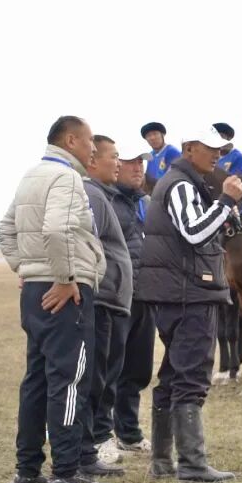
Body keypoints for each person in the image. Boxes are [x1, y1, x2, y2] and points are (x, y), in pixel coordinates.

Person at [0, 115, 111, 483]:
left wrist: (27, 269)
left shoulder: (32, 174)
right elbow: (57, 229)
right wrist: (64, 279)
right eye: (90, 139)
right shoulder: (66, 178)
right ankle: (66, 473)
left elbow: (4, 229)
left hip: (35, 290)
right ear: (71, 139)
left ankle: (27, 472)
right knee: (70, 379)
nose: (93, 147)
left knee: (37, 380)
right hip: (66, 291)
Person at [136, 125, 242, 483]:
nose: (218, 155)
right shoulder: (182, 185)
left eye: (221, 149)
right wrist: (227, 201)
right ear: (188, 148)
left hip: (173, 291)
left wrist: (225, 215)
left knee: (172, 373)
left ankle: (163, 461)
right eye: (210, 148)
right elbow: (195, 232)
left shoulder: (178, 181)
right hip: (188, 293)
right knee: (191, 375)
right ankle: (193, 465)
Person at [82, 136, 134, 472]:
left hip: (112, 301)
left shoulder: (104, 195)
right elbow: (87, 245)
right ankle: (91, 447)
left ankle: (95, 442)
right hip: (102, 300)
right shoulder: (92, 195)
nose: (119, 163)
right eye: (114, 156)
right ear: (92, 161)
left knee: (106, 375)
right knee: (96, 378)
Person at [106, 138, 155, 455]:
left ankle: (128, 431)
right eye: (131, 161)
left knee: (137, 369)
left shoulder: (145, 203)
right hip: (115, 296)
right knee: (109, 369)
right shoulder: (104, 200)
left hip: (144, 294)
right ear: (115, 164)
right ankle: (101, 435)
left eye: (142, 161)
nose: (138, 167)